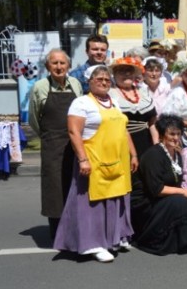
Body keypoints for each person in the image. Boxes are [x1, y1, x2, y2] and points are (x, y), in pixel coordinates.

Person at [54, 65, 137, 263]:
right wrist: (82, 159)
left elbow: (124, 131)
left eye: (107, 79)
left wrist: (133, 154)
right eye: (98, 78)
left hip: (118, 160)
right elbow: (74, 132)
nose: (103, 82)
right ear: (89, 81)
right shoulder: (81, 103)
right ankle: (93, 244)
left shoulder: (114, 102)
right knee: (93, 205)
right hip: (94, 161)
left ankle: (115, 237)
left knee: (116, 200)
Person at [28, 49, 83, 240]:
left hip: (75, 143)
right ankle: (57, 232)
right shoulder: (39, 87)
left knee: (74, 185)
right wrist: (48, 136)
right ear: (47, 66)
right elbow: (34, 119)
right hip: (52, 144)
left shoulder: (75, 84)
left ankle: (75, 229)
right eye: (54, 63)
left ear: (68, 66)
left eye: (62, 63)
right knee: (54, 187)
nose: (59, 67)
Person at [131, 114, 187, 254]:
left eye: (178, 134)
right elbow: (156, 189)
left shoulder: (177, 154)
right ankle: (158, 240)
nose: (175, 138)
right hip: (148, 203)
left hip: (164, 199)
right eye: (171, 134)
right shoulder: (153, 155)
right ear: (162, 134)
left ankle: (179, 240)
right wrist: (182, 192)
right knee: (180, 202)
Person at [108, 57, 158, 158]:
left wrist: (157, 147)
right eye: (122, 71)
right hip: (122, 145)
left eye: (129, 71)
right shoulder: (110, 94)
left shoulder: (143, 92)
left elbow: (152, 123)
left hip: (146, 144)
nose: (127, 74)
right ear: (114, 74)